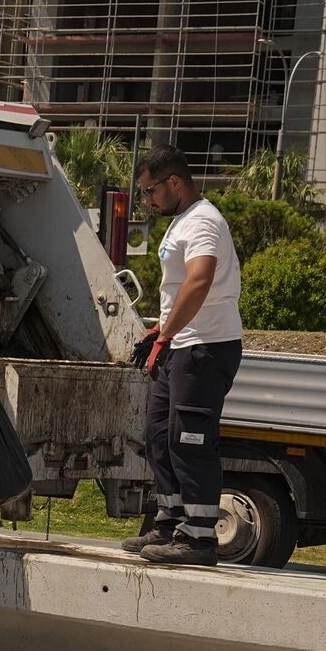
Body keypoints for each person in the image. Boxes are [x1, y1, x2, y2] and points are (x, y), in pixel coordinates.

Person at [125, 146, 243, 566]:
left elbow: (199, 282)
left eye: (149, 191)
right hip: (182, 344)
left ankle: (198, 538)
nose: (147, 200)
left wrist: (166, 334)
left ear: (174, 182)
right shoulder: (182, 221)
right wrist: (162, 329)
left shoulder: (204, 221)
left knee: (190, 440)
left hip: (205, 347)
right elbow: (179, 290)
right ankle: (170, 519)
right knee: (159, 436)